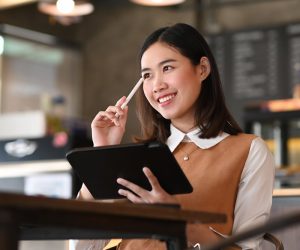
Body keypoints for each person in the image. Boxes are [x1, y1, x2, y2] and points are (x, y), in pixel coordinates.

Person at [76, 23, 275, 250]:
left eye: (168, 68)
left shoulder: (249, 151)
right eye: (147, 75)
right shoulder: (134, 157)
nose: (157, 85)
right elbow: (84, 245)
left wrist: (180, 222)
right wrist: (103, 158)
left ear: (202, 69)